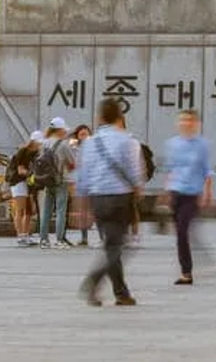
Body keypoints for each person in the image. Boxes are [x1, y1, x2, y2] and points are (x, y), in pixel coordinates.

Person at [77, 98, 143, 307]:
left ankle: (121, 293)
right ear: (119, 116)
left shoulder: (89, 143)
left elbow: (83, 177)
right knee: (117, 246)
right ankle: (94, 281)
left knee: (111, 246)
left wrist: (81, 207)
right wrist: (138, 190)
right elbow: (135, 173)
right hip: (119, 198)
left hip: (97, 199)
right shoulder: (127, 141)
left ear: (100, 117)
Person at [164, 109, 213, 285]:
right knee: (180, 233)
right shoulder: (172, 144)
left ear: (196, 123)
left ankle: (187, 271)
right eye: (182, 120)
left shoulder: (203, 145)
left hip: (192, 193)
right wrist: (167, 192)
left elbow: (207, 170)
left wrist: (207, 192)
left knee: (183, 230)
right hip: (176, 191)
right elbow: (171, 168)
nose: (185, 123)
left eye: (189, 120)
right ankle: (187, 270)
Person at [36, 120, 74, 249]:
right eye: (64, 129)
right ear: (59, 130)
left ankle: (43, 239)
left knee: (46, 210)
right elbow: (72, 163)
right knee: (60, 211)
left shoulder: (44, 143)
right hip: (60, 180)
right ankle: (59, 240)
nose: (65, 131)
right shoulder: (64, 144)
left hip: (46, 180)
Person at [8, 131, 42, 247]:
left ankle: (26, 235)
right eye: (39, 142)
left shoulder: (36, 153)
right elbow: (20, 170)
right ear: (34, 141)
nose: (40, 145)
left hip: (29, 183)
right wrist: (32, 175)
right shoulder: (23, 152)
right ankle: (20, 236)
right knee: (20, 210)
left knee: (28, 211)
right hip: (18, 182)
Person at [68, 125, 93, 247]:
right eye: (81, 134)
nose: (84, 137)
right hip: (79, 182)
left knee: (96, 210)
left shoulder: (94, 147)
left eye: (86, 134)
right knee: (82, 211)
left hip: (93, 182)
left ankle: (103, 237)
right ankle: (84, 238)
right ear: (77, 136)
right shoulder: (74, 148)